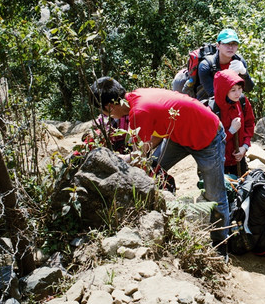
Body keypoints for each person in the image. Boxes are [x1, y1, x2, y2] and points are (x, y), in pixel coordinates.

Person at [93, 78, 230, 250]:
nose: (107, 116)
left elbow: (138, 160)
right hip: (178, 136)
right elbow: (155, 135)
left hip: (208, 137)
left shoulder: (139, 111)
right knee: (153, 170)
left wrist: (126, 161)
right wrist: (130, 158)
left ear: (109, 107)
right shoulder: (136, 97)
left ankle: (221, 245)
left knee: (215, 196)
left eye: (104, 112)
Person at [89, 77, 175, 191]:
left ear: (108, 107)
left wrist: (132, 157)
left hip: (137, 159)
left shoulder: (138, 111)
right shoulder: (106, 123)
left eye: (100, 109)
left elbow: (157, 135)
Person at [210, 69, 256, 177]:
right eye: (233, 90)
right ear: (223, 90)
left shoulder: (242, 101)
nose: (238, 93)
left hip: (238, 159)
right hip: (219, 162)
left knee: (242, 188)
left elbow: (249, 124)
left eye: (240, 88)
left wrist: (244, 147)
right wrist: (231, 131)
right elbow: (212, 142)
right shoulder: (213, 109)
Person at [197, 28, 254, 100]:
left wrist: (244, 73)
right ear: (218, 46)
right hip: (208, 103)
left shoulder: (239, 61)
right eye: (227, 43)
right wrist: (227, 77)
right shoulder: (206, 65)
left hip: (232, 101)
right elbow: (213, 94)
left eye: (234, 44)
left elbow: (248, 89)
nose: (230, 47)